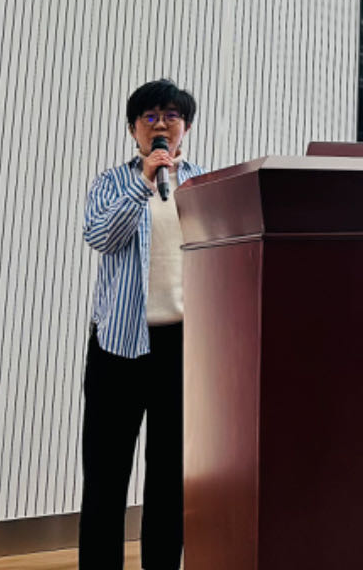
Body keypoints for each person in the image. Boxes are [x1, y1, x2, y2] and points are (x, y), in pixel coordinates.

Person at [78, 78, 207, 570]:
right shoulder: (112, 182)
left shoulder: (203, 185)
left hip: (182, 347)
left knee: (171, 478)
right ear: (134, 129)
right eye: (149, 116)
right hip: (119, 346)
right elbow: (100, 237)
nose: (160, 124)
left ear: (185, 128)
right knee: (106, 476)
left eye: (171, 116)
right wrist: (144, 183)